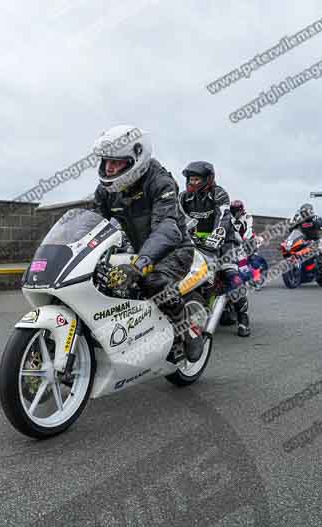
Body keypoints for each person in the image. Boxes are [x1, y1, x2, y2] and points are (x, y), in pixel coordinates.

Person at [92, 125, 205, 362]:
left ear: (136, 159)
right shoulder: (107, 190)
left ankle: (187, 331)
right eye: (106, 162)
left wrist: (138, 265)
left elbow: (167, 228)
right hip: (138, 249)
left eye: (116, 163)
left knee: (151, 280)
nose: (109, 168)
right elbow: (93, 223)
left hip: (173, 249)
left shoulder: (160, 181)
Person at [178, 162, 250, 337]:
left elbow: (223, 217)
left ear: (208, 179)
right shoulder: (183, 197)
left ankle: (243, 317)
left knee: (231, 276)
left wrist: (216, 236)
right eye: (190, 179)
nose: (192, 183)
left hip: (224, 241)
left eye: (196, 179)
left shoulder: (219, 194)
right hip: (194, 240)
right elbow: (175, 217)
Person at [290, 203, 322, 273]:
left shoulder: (316, 218)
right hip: (305, 240)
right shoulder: (301, 221)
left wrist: (320, 224)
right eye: (302, 213)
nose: (304, 214)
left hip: (316, 240)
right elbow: (293, 228)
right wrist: (291, 227)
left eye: (305, 212)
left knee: (321, 249)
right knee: (296, 250)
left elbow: (320, 223)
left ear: (310, 211)